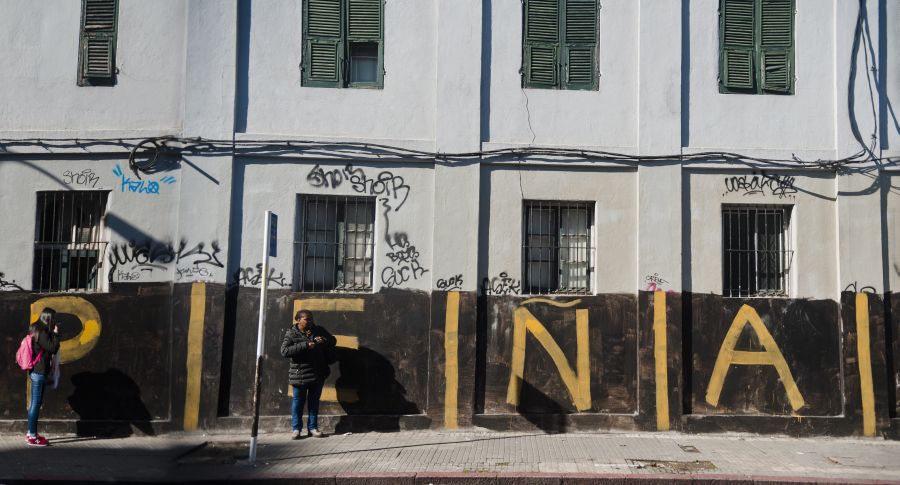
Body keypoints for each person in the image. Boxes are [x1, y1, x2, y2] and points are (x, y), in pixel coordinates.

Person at [280, 309, 336, 440]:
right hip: (300, 374)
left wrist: (324, 340)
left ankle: (313, 428)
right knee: (298, 403)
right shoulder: (291, 333)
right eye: (307, 319)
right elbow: (284, 351)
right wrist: (305, 345)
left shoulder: (318, 330)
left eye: (311, 318)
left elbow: (333, 340)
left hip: (317, 373)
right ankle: (296, 429)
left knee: (314, 402)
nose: (310, 321)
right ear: (298, 320)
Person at [27, 308, 60, 447]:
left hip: (35, 371)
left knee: (35, 403)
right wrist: (56, 334)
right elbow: (52, 348)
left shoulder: (35, 328)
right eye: (53, 319)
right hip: (39, 371)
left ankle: (31, 432)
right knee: (35, 404)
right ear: (49, 318)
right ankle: (33, 437)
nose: (55, 322)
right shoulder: (42, 332)